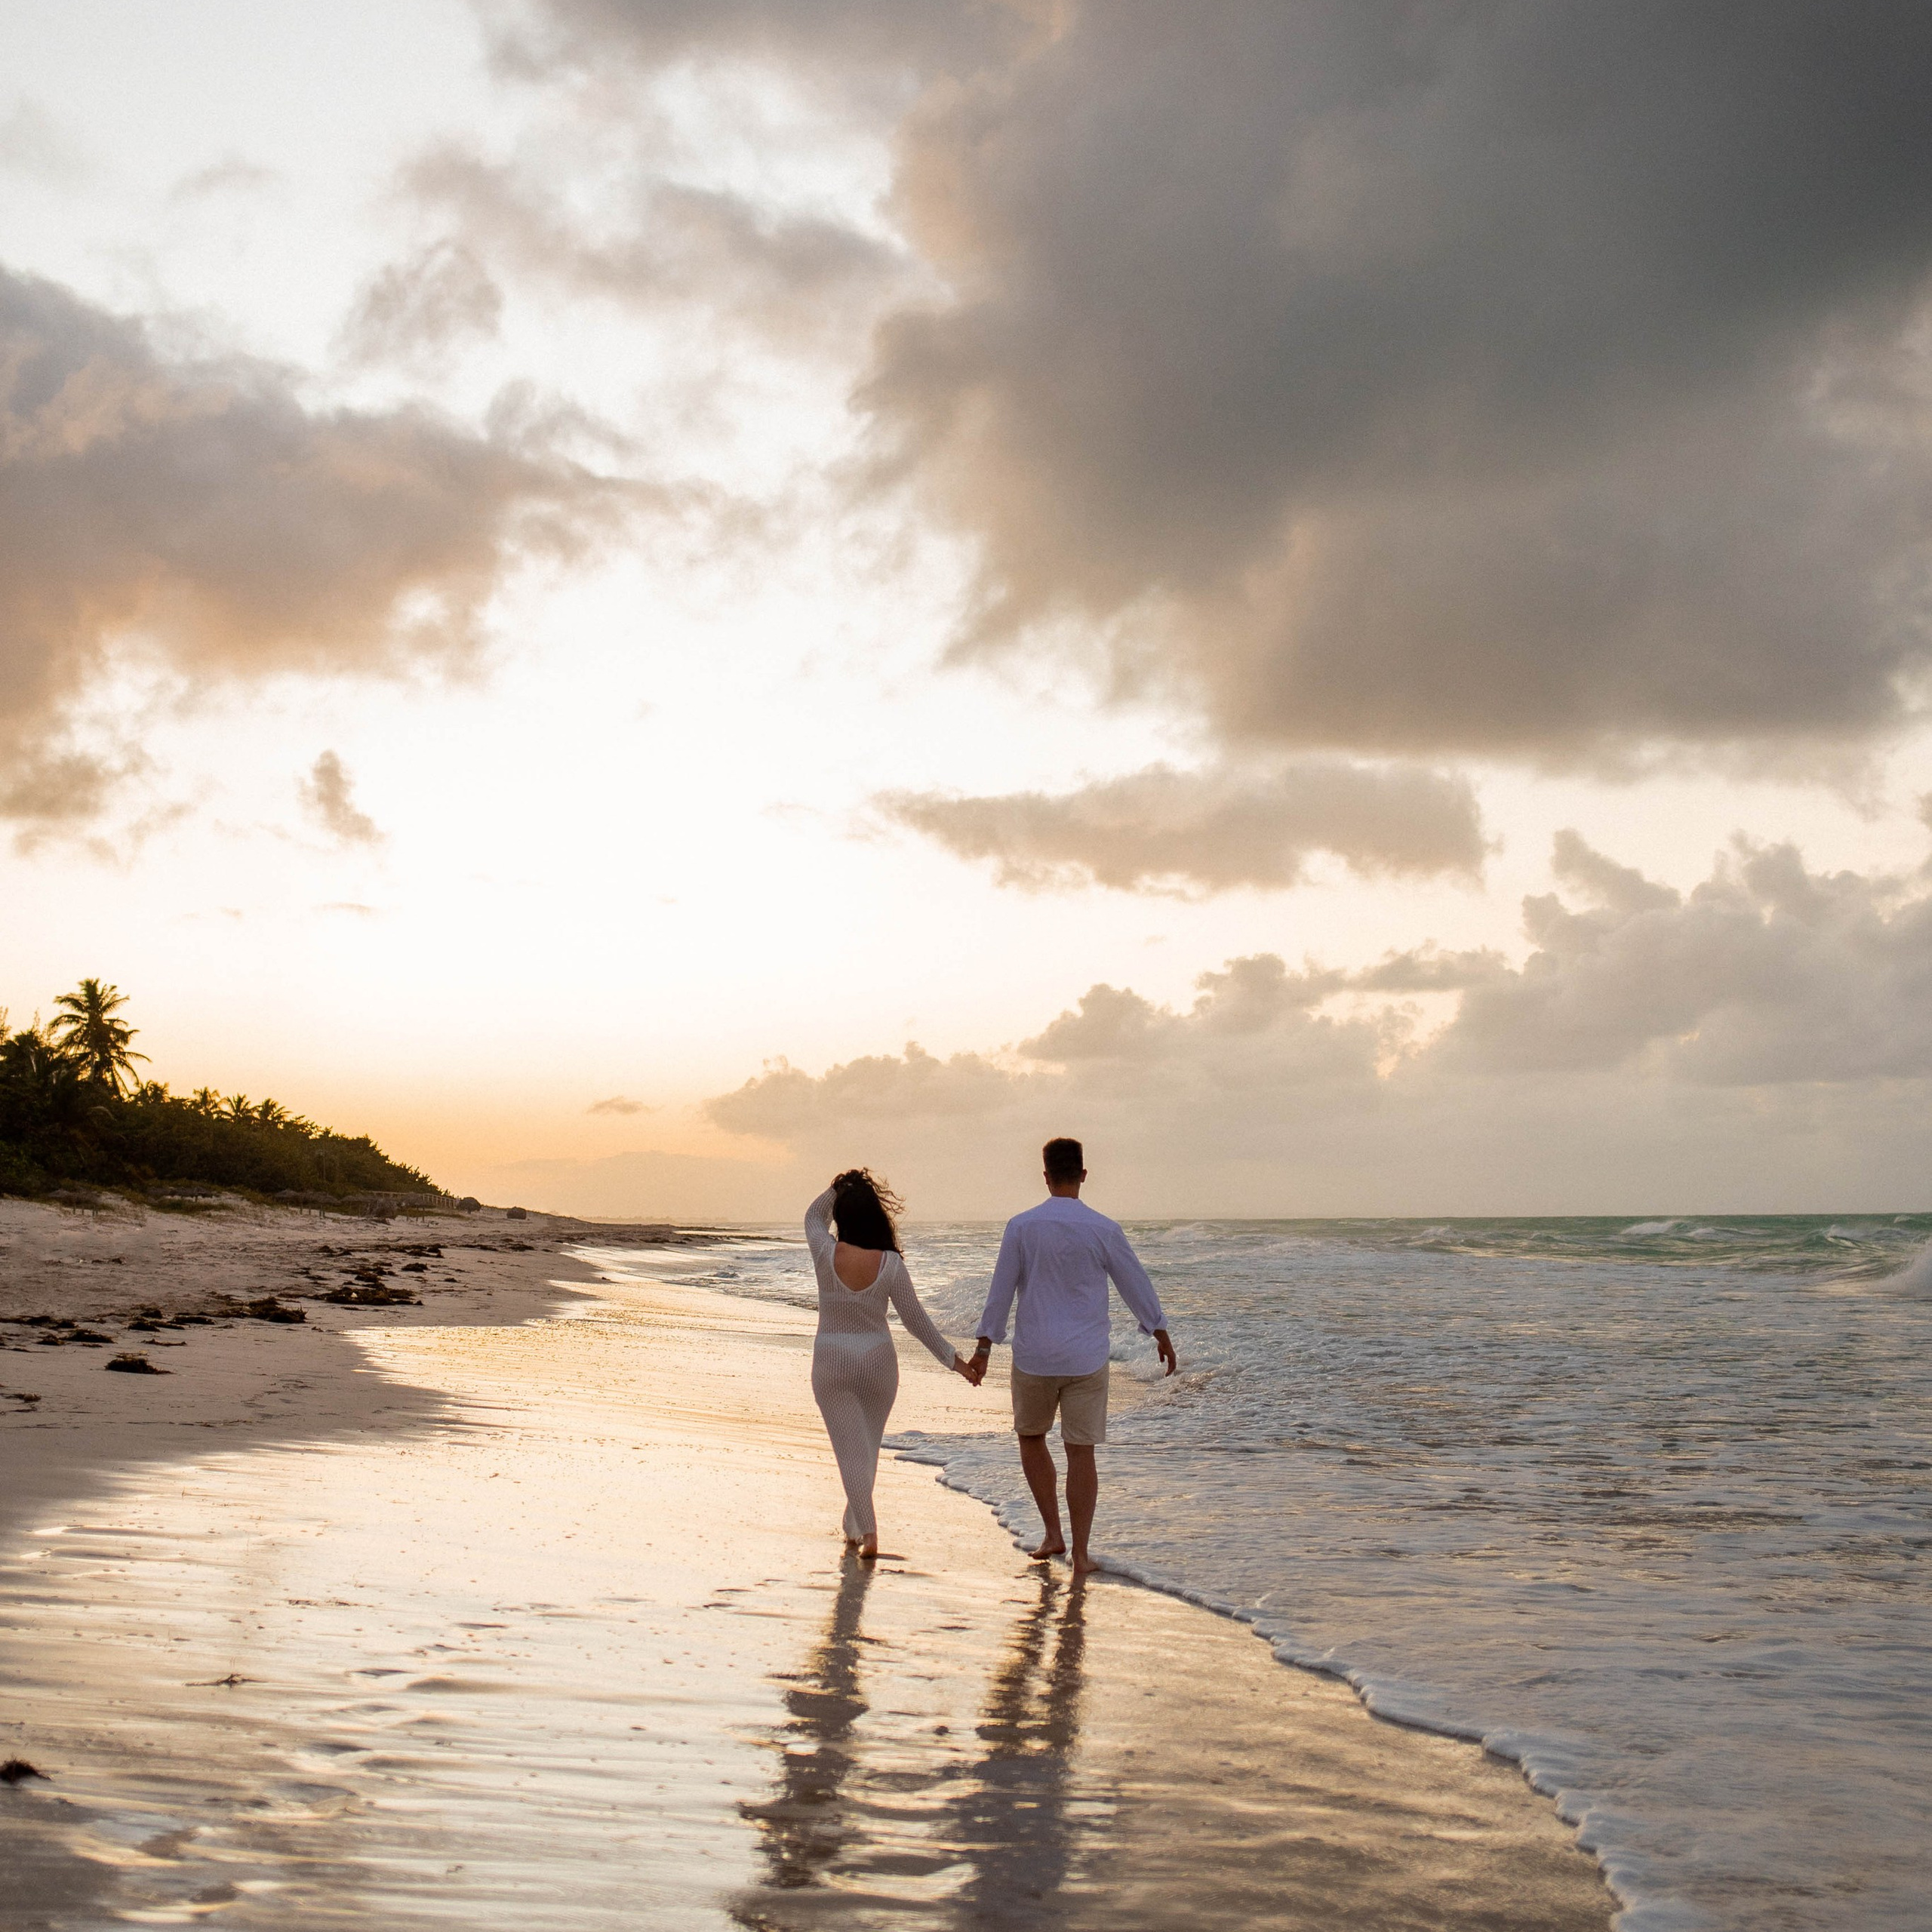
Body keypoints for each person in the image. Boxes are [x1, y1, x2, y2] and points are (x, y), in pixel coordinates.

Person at [969, 1138, 1176, 1576]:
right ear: (1084, 1174)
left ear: (1045, 1176)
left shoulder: (1022, 1227)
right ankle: (1080, 1554)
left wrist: (985, 1345)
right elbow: (1133, 1282)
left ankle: (1052, 1534)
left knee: (1032, 1438)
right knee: (1081, 1452)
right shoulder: (1103, 1228)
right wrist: (1158, 1329)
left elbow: (1001, 1290)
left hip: (1034, 1357)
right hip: (1086, 1358)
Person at [805, 1169, 977, 1558]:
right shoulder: (890, 1264)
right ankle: (855, 1525)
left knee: (850, 1453)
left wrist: (839, 1186)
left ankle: (868, 1532)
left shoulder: (824, 1251)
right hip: (878, 1364)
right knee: (865, 1450)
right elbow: (917, 1322)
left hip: (832, 1361)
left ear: (842, 1217)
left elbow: (812, 1216)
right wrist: (957, 1363)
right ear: (877, 1218)